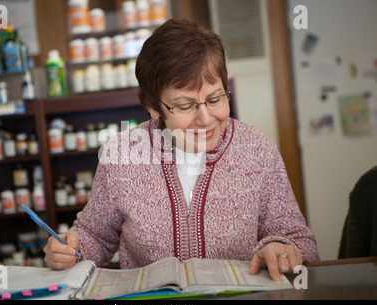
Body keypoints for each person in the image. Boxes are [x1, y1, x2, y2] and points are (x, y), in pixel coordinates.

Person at [43, 18, 319, 280]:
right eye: (185, 106)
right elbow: (94, 237)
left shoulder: (258, 150)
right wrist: (69, 252)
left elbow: (300, 241)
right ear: (153, 107)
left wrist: (281, 247)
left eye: (215, 98)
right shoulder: (122, 156)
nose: (206, 118)